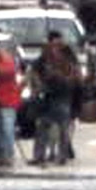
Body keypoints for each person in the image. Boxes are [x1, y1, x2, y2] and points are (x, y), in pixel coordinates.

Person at [31, 30, 81, 164]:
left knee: (61, 127)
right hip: (50, 95)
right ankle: (43, 156)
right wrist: (38, 86)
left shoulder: (66, 54)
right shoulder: (47, 55)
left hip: (62, 95)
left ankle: (58, 156)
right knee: (46, 126)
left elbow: (76, 74)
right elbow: (35, 70)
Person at [0, 40, 23, 165]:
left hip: (8, 99)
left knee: (7, 128)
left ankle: (8, 154)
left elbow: (5, 72)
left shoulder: (6, 60)